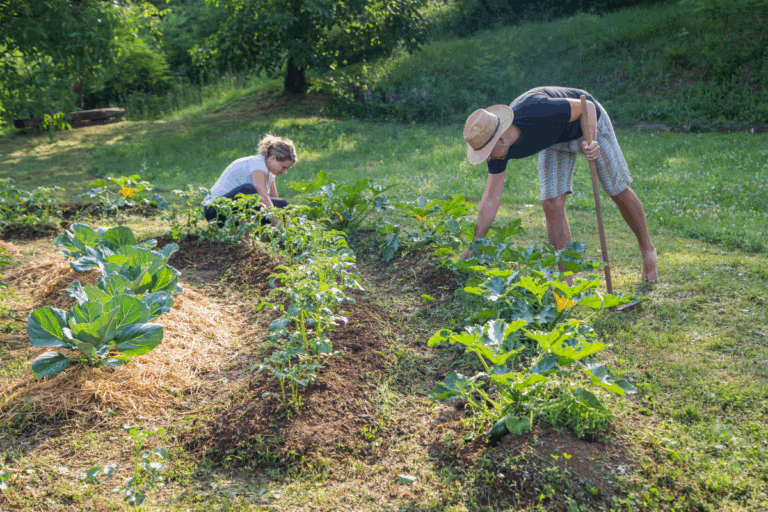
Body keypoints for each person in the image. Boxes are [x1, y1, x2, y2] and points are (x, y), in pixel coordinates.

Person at [461, 86, 658, 281]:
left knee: (617, 190)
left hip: (588, 122)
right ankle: (566, 281)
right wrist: (475, 244)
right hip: (554, 140)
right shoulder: (498, 150)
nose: (487, 158)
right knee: (551, 203)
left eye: (487, 153)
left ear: (501, 140)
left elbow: (587, 107)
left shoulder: (536, 110)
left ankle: (647, 248)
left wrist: (591, 142)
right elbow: (491, 197)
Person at [203, 134, 297, 228]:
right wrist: (280, 227)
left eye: (287, 168)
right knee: (250, 192)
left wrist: (287, 227)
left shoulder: (270, 172)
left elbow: (274, 200)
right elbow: (264, 198)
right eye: (283, 167)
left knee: (283, 205)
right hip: (215, 211)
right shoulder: (258, 165)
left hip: (234, 208)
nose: (285, 172)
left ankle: (268, 234)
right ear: (272, 158)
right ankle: (244, 236)